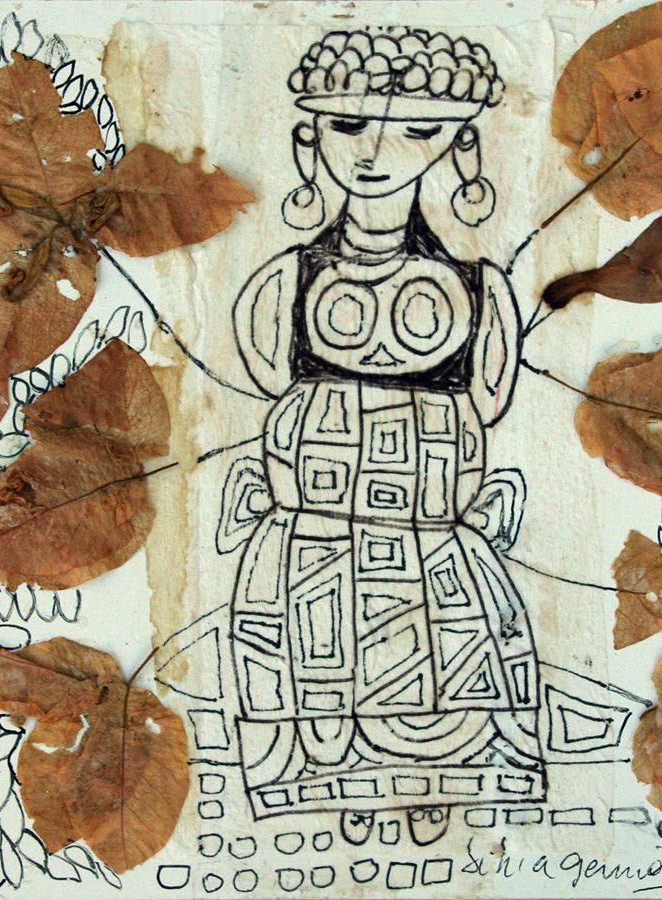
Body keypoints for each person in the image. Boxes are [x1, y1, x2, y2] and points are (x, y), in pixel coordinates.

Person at [230, 27, 544, 847]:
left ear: (457, 144)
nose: (374, 153)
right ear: (309, 137)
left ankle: (433, 793)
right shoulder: (283, 287)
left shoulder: (483, 296)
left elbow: (485, 406)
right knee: (313, 690)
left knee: (450, 681)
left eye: (417, 130)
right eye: (347, 125)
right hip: (313, 555)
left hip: (432, 552)